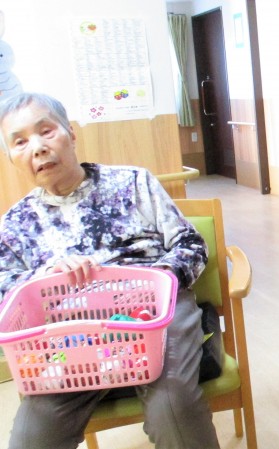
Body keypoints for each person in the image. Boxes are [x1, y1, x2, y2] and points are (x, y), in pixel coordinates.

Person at [0, 92, 220, 449]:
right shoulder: (15, 224)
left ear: (71, 134)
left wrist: (152, 282)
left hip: (154, 313)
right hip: (69, 333)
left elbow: (191, 245)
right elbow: (6, 290)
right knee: (32, 434)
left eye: (46, 131)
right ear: (11, 157)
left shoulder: (133, 182)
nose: (38, 148)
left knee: (171, 406)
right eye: (20, 142)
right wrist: (44, 277)